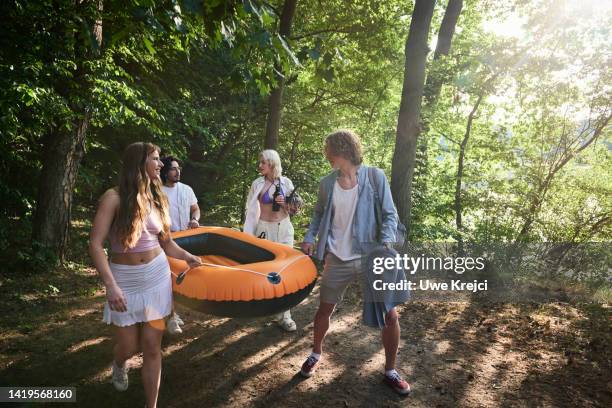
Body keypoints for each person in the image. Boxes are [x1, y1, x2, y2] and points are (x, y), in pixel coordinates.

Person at [89, 142, 201, 408]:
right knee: (128, 347)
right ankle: (119, 363)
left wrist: (187, 257)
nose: (161, 164)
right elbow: (95, 244)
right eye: (155, 158)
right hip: (124, 280)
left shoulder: (157, 197)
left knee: (152, 347)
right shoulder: (113, 198)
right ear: (139, 163)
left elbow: (167, 243)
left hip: (156, 277)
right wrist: (111, 286)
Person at [299, 130, 411, 395]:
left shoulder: (374, 177)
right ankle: (316, 353)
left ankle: (390, 370)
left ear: (342, 151)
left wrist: (384, 244)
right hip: (336, 258)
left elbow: (390, 215)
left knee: (389, 314)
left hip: (370, 256)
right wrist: (309, 236)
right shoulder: (327, 183)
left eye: (329, 151)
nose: (327, 156)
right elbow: (317, 215)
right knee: (324, 309)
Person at [243, 149, 297, 332]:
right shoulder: (257, 183)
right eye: (259, 163)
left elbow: (296, 209)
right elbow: (249, 208)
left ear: (272, 164)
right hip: (263, 230)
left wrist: (285, 204)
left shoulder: (286, 183)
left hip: (283, 229)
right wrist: (248, 232)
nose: (259, 166)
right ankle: (266, 306)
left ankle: (285, 315)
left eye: (263, 163)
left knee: (285, 271)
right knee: (265, 270)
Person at [160, 156, 200, 334]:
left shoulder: (187, 189)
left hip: (185, 239)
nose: (177, 172)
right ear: (165, 171)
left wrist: (194, 219)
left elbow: (195, 208)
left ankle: (173, 313)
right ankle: (171, 318)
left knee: (179, 278)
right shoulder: (158, 191)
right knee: (166, 279)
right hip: (164, 240)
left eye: (178, 168)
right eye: (173, 169)